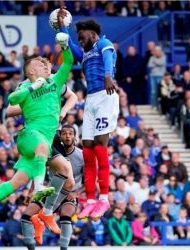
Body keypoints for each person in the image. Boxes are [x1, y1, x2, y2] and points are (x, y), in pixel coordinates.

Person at [0, 32, 74, 223]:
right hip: (29, 137)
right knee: (42, 147)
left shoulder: (55, 83)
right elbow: (11, 100)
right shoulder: (26, 88)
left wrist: (65, 46)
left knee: (16, 182)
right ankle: (39, 186)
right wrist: (33, 87)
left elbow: (67, 64)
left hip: (40, 144)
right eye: (40, 65)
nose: (45, 66)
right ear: (32, 72)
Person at [57, 7, 119, 219]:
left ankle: (104, 199)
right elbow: (70, 46)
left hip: (105, 95)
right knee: (88, 150)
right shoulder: (84, 52)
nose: (80, 41)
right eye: (79, 39)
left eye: (83, 37)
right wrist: (63, 24)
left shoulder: (103, 43)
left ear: (92, 34)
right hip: (91, 100)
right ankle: (91, 199)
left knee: (101, 146)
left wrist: (108, 75)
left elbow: (109, 59)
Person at [21, 125, 84, 249]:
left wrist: (76, 193)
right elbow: (39, 170)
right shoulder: (51, 152)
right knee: (26, 214)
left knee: (66, 215)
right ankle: (30, 244)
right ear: (59, 136)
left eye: (70, 133)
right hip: (51, 191)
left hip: (69, 193)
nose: (67, 136)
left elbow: (90, 179)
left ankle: (63, 247)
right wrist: (31, 190)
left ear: (75, 137)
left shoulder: (81, 155)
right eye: (64, 133)